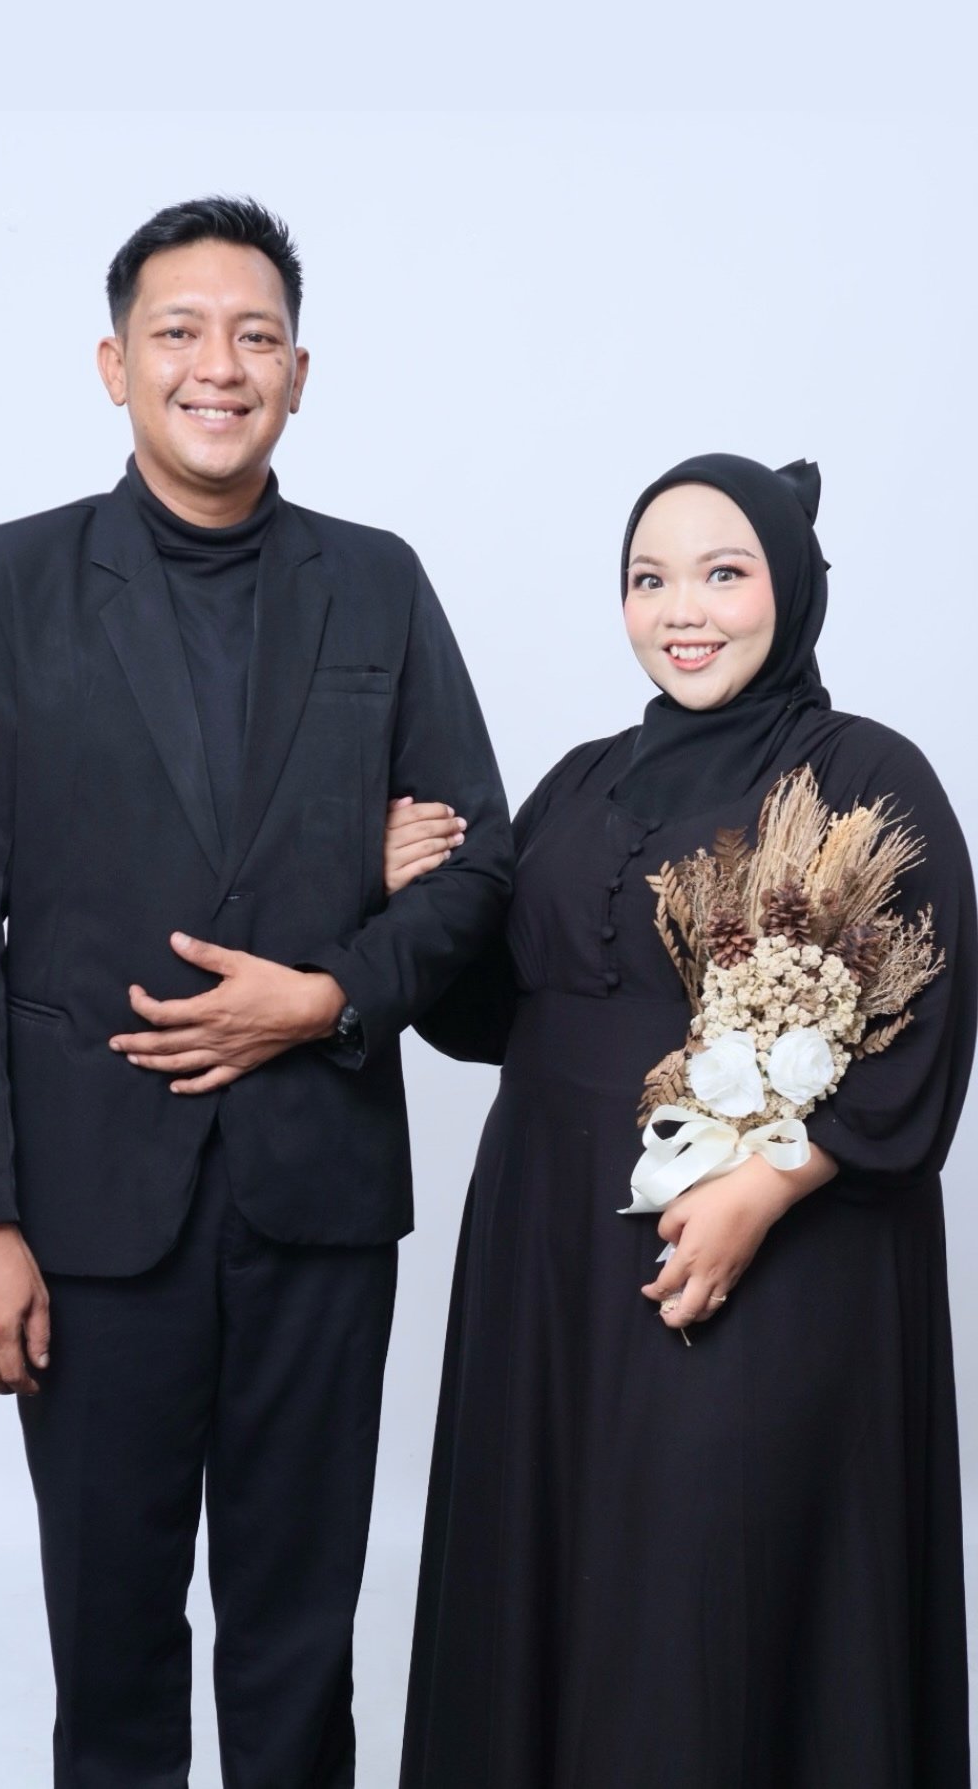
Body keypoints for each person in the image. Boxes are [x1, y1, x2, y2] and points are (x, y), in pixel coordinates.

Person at [0, 195, 512, 1787]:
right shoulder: (11, 581)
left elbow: (480, 867)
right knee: (110, 1652)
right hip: (86, 1212)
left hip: (319, 1200)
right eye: (179, 331)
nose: (218, 366)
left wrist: (328, 994)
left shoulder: (378, 584)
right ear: (115, 364)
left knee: (300, 1648)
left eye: (256, 335)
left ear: (300, 373)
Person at [388, 455, 974, 1787]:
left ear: (794, 587)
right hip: (551, 1263)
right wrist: (411, 892)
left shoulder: (864, 773)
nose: (681, 610)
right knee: (559, 1576)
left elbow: (927, 1023)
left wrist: (766, 1190)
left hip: (760, 1268)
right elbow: (493, 1007)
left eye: (723, 573)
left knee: (707, 1596)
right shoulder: (581, 777)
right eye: (649, 579)